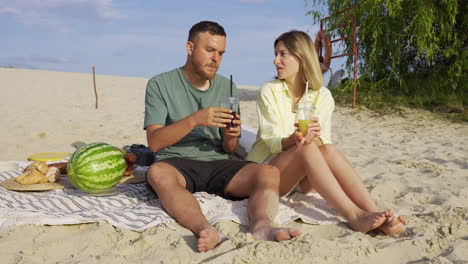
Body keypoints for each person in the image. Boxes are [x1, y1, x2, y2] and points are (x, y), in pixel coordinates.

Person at [144, 21, 300, 252]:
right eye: (209, 50)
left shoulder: (227, 87)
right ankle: (205, 229)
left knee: (268, 171)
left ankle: (262, 226)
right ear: (190, 48)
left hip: (219, 162)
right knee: (157, 173)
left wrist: (231, 135)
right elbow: (155, 142)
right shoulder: (160, 84)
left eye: (221, 53)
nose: (216, 58)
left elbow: (230, 147)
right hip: (176, 163)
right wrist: (196, 119)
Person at [246, 30, 407, 235]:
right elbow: (271, 141)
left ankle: (374, 213)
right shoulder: (269, 90)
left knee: (327, 149)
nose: (276, 60)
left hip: (304, 176)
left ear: (301, 56)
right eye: (276, 54)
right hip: (269, 170)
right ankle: (354, 216)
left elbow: (324, 142)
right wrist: (296, 140)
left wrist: (313, 138)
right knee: (305, 147)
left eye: (283, 54)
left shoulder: (322, 95)